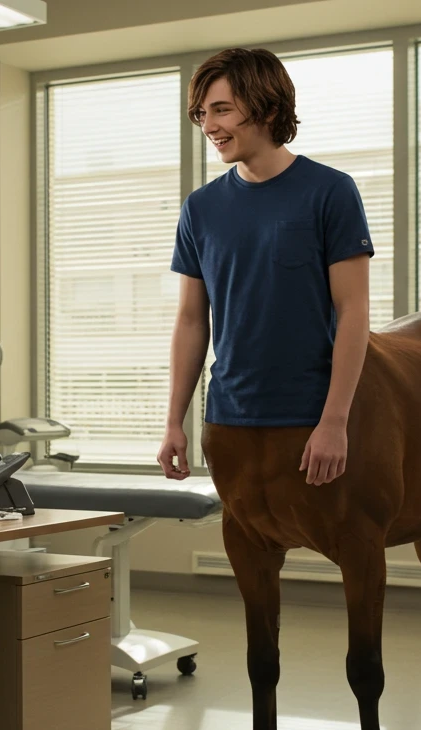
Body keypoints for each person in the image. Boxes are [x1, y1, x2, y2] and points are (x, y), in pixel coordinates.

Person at [157, 48, 373, 486]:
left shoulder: (331, 191)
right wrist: (173, 422)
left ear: (269, 108)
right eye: (202, 114)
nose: (209, 126)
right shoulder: (200, 209)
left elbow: (354, 312)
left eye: (222, 110)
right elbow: (192, 320)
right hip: (228, 419)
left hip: (310, 416)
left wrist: (335, 421)